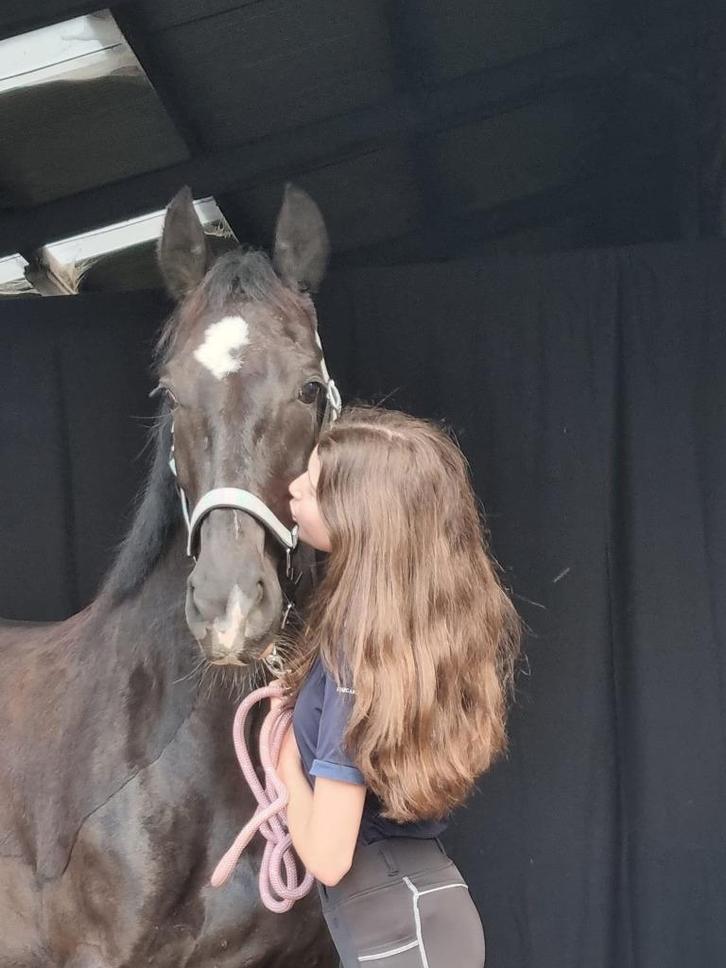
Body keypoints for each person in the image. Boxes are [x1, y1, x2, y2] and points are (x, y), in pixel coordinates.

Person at [274, 405, 521, 967]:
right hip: (417, 911)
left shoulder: (354, 660)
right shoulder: (381, 649)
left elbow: (329, 858)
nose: (294, 488)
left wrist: (287, 764)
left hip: (403, 933)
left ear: (361, 515)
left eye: (314, 484)